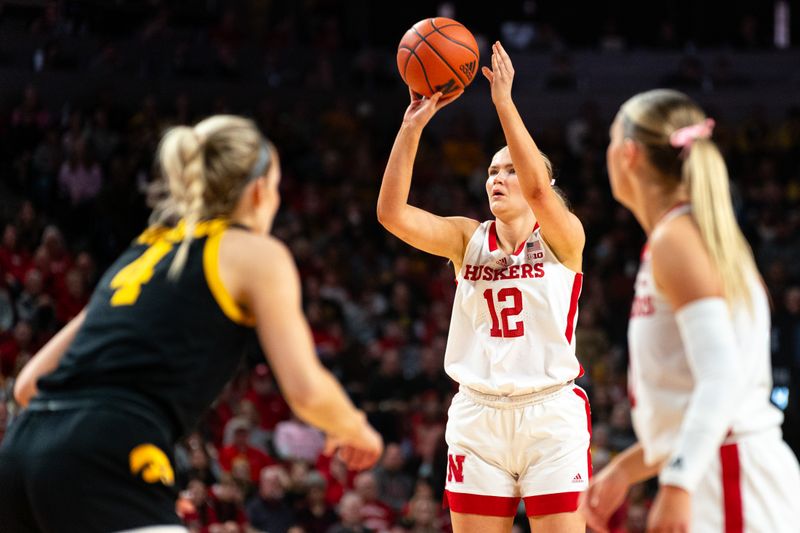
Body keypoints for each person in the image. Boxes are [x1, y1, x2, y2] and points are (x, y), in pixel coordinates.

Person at [0, 114, 383, 532]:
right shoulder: (255, 253)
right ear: (258, 192)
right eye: (275, 189)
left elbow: (28, 385)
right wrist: (358, 428)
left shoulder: (145, 250)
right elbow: (306, 391)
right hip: (105, 451)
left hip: (21, 452)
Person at [377, 41, 590, 533]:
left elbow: (539, 191)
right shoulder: (464, 238)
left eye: (511, 169)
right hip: (478, 413)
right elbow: (391, 215)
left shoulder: (564, 237)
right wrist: (411, 126)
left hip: (550, 415)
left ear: (541, 181)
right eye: (492, 171)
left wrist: (504, 102)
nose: (498, 178)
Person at [580, 88, 800, 532]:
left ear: (629, 155)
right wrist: (628, 468)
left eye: (608, 141)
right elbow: (696, 399)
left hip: (730, 475)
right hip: (722, 466)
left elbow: (722, 380)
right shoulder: (684, 234)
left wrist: (677, 482)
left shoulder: (677, 239)